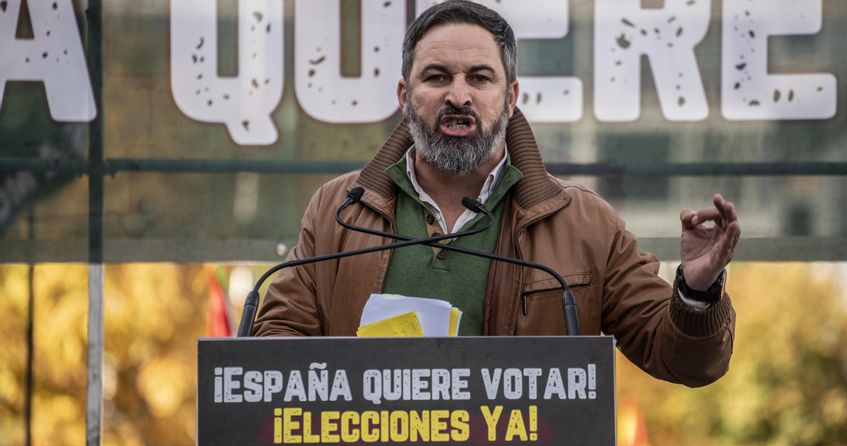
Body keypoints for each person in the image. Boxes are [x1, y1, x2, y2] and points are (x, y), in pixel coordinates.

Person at [254, 0, 740, 387]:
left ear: (510, 98)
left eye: (479, 78)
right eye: (437, 76)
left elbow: (686, 363)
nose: (458, 96)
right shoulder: (338, 210)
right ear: (405, 98)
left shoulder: (584, 224)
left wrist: (697, 292)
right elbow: (275, 348)